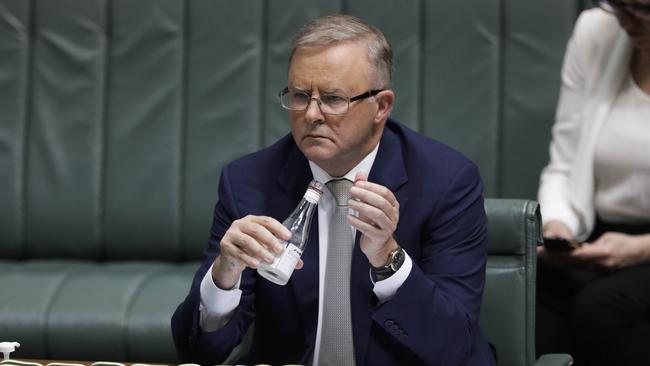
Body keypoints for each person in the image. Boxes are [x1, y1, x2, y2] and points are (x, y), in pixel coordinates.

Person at [172, 14, 495, 366]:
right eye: (299, 96)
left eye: (332, 98)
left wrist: (388, 257)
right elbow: (199, 351)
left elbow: (452, 347)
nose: (311, 114)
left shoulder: (446, 182)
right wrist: (224, 274)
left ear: (381, 106)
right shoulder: (249, 183)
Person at [536, 1, 650, 365]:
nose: (629, 19)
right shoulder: (597, 30)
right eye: (621, 5)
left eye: (645, 8)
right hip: (601, 234)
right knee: (533, 281)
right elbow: (565, 162)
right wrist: (559, 226)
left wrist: (642, 248)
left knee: (601, 306)